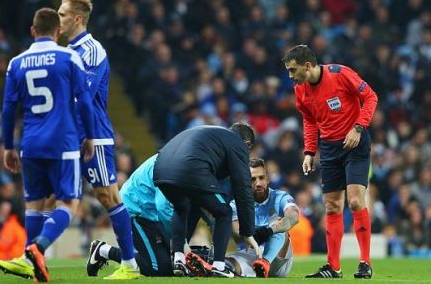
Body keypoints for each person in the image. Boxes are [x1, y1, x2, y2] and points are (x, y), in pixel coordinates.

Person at [0, 8, 95, 282]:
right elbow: (85, 102)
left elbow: (7, 109)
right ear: (58, 31)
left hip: (30, 144)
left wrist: (8, 146)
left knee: (35, 205)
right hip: (62, 142)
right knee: (69, 204)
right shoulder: (69, 57)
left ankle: (33, 266)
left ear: (32, 31)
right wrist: (90, 136)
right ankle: (36, 248)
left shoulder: (16, 63)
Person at [57, 0, 137, 280]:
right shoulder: (67, 51)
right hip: (68, 135)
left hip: (93, 136)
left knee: (108, 196)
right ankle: (32, 255)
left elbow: (83, 98)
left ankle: (129, 264)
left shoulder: (92, 50)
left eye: (63, 15)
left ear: (77, 18)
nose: (59, 20)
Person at [282, 44, 378, 279]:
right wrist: (309, 151)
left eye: (293, 70)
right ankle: (333, 267)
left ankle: (365, 262)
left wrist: (358, 128)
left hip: (355, 144)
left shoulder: (341, 74)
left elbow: (371, 97)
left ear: (307, 65)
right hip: (329, 148)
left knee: (355, 201)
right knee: (332, 206)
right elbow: (309, 120)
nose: (290, 76)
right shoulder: (300, 90)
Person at [153, 122, 262, 278]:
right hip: (190, 167)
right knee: (224, 212)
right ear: (247, 144)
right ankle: (218, 266)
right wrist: (247, 230)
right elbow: (242, 186)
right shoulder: (237, 143)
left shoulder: (214, 135)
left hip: (160, 169)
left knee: (182, 206)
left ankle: (179, 259)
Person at [87, 154, 174, 277]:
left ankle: (103, 250)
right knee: (159, 269)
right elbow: (162, 206)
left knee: (171, 265)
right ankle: (104, 250)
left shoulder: (171, 158)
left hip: (151, 213)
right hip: (136, 210)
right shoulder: (169, 165)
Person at [225, 157, 299, 278]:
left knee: (279, 224)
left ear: (268, 179)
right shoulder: (236, 204)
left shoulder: (280, 197)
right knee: (228, 265)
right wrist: (252, 235)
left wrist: (268, 231)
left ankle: (265, 262)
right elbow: (237, 235)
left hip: (278, 259)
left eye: (261, 178)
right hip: (252, 254)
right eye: (252, 179)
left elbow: (294, 217)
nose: (258, 183)